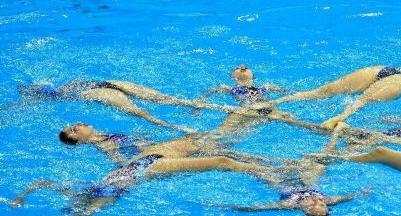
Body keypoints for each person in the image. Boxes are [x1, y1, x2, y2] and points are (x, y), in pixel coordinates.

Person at [9, 145, 279, 216]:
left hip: (144, 163)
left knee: (219, 155)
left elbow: (43, 182)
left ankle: (266, 165)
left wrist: (21, 197)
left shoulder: (90, 185)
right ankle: (268, 167)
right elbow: (90, 210)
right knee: (220, 159)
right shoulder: (109, 190)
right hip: (148, 166)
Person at [228, 123, 367, 216]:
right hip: (308, 179)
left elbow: (261, 207)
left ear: (304, 210)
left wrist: (238, 207)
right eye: (321, 204)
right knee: (321, 160)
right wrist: (366, 191)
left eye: (312, 205)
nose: (315, 200)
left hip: (282, 181)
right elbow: (349, 196)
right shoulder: (328, 199)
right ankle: (337, 134)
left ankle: (225, 154)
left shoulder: (290, 204)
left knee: (255, 168)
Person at [15, 79, 256, 132]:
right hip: (104, 82)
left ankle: (181, 128)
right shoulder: (65, 85)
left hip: (99, 91)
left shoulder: (55, 96)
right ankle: (224, 109)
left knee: (143, 114)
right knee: (170, 100)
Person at [272, 65, 401, 128]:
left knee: (319, 92)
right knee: (363, 100)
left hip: (383, 69)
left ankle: (274, 102)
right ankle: (339, 118)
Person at [58, 122, 272, 164]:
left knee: (219, 142)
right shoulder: (104, 144)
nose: (77, 124)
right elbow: (123, 162)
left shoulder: (104, 135)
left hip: (166, 146)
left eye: (73, 125)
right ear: (79, 141)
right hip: (165, 152)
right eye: (74, 130)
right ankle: (268, 161)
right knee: (220, 142)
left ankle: (266, 160)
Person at [198, 65, 295, 136]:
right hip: (245, 110)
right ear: (233, 77)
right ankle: (209, 142)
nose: (242, 66)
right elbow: (212, 90)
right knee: (222, 131)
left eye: (246, 67)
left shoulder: (265, 86)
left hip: (263, 107)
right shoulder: (229, 88)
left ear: (253, 77)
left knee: (289, 118)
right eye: (237, 68)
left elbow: (287, 92)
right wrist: (199, 104)